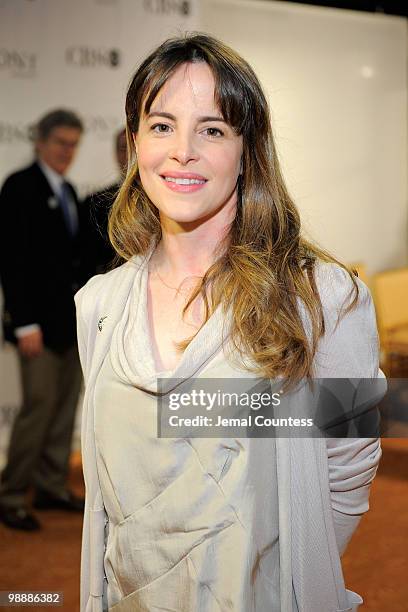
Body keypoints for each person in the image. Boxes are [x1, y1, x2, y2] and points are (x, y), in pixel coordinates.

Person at [75, 34, 383, 611]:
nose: (182, 151)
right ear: (134, 140)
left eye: (212, 129)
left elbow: (348, 466)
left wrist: (290, 585)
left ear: (248, 150)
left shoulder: (321, 297)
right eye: (162, 125)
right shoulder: (98, 305)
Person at [0, 109, 87, 531]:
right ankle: (12, 495)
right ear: (40, 141)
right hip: (36, 326)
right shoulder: (19, 187)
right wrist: (24, 323)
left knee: (65, 407)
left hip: (69, 325)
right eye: (60, 143)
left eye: (73, 144)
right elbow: (11, 261)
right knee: (38, 409)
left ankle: (51, 485)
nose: (67, 151)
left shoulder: (69, 191)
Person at [84, 128, 127, 275]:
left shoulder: (163, 200)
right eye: (123, 148)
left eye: (134, 147)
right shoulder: (95, 202)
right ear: (116, 154)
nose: (129, 154)